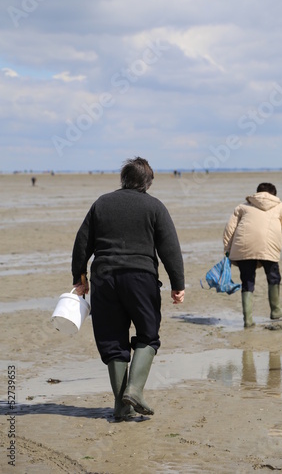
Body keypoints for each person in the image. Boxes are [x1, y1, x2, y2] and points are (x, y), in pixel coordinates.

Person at [71, 157, 185, 420]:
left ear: (123, 179)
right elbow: (170, 248)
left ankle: (122, 407)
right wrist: (177, 284)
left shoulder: (101, 203)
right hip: (140, 278)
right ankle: (134, 389)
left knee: (113, 342)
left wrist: (80, 277)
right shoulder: (154, 206)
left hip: (104, 279)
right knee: (148, 334)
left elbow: (82, 243)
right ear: (147, 182)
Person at [223, 182, 282, 328]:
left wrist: (227, 249)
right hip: (269, 247)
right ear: (274, 195)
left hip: (243, 247)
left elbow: (229, 229)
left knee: (247, 280)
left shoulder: (243, 207)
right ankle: (275, 309)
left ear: (257, 193)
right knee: (273, 276)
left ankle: (247, 320)